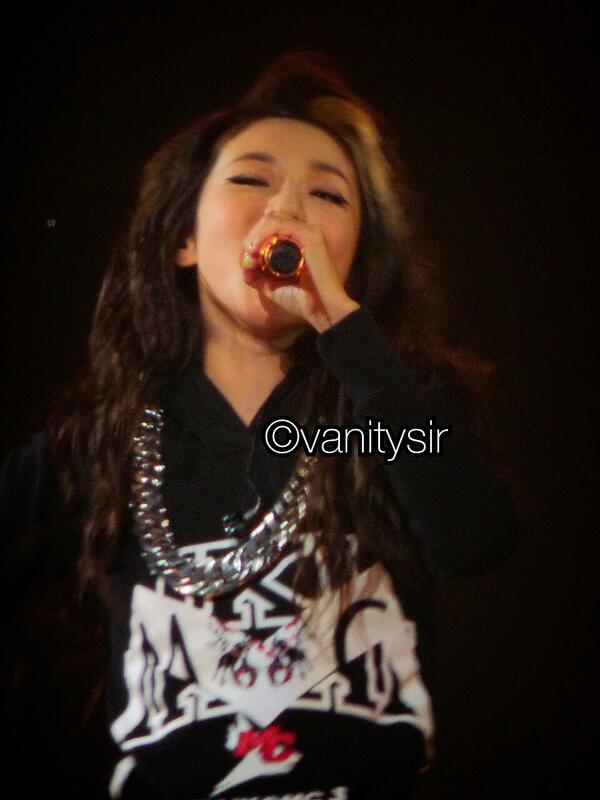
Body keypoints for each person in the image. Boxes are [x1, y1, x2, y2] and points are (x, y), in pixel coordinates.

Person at [2, 51, 518, 799]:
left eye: (327, 194)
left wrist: (345, 330)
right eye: (252, 180)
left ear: (355, 259)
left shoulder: (380, 410)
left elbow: (476, 536)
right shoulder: (99, 439)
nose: (289, 211)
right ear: (182, 240)